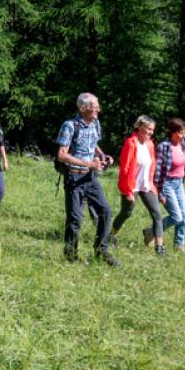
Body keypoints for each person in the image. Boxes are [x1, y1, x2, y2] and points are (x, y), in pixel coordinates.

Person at [56, 93, 118, 266]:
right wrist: (88, 163)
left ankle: (101, 251)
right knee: (75, 219)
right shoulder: (70, 126)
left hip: (90, 177)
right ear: (83, 108)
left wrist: (103, 156)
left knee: (105, 212)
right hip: (74, 176)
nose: (98, 109)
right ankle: (71, 256)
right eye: (94, 106)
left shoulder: (95, 123)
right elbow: (61, 155)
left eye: (98, 105)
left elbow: (93, 144)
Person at [112, 115, 165, 256]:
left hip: (146, 185)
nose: (151, 132)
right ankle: (110, 235)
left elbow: (152, 165)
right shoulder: (131, 143)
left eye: (152, 130)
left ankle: (159, 248)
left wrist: (153, 185)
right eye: (148, 129)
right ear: (140, 127)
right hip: (131, 185)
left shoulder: (150, 144)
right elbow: (124, 168)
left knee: (157, 214)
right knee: (126, 213)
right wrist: (127, 190)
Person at [155, 117, 185, 254]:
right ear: (172, 132)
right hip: (167, 184)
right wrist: (159, 192)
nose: (183, 136)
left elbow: (183, 163)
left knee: (184, 217)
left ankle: (179, 245)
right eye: (181, 133)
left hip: (179, 184)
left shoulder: (182, 145)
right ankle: (152, 231)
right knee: (176, 216)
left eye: (184, 133)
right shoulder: (164, 147)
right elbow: (158, 171)